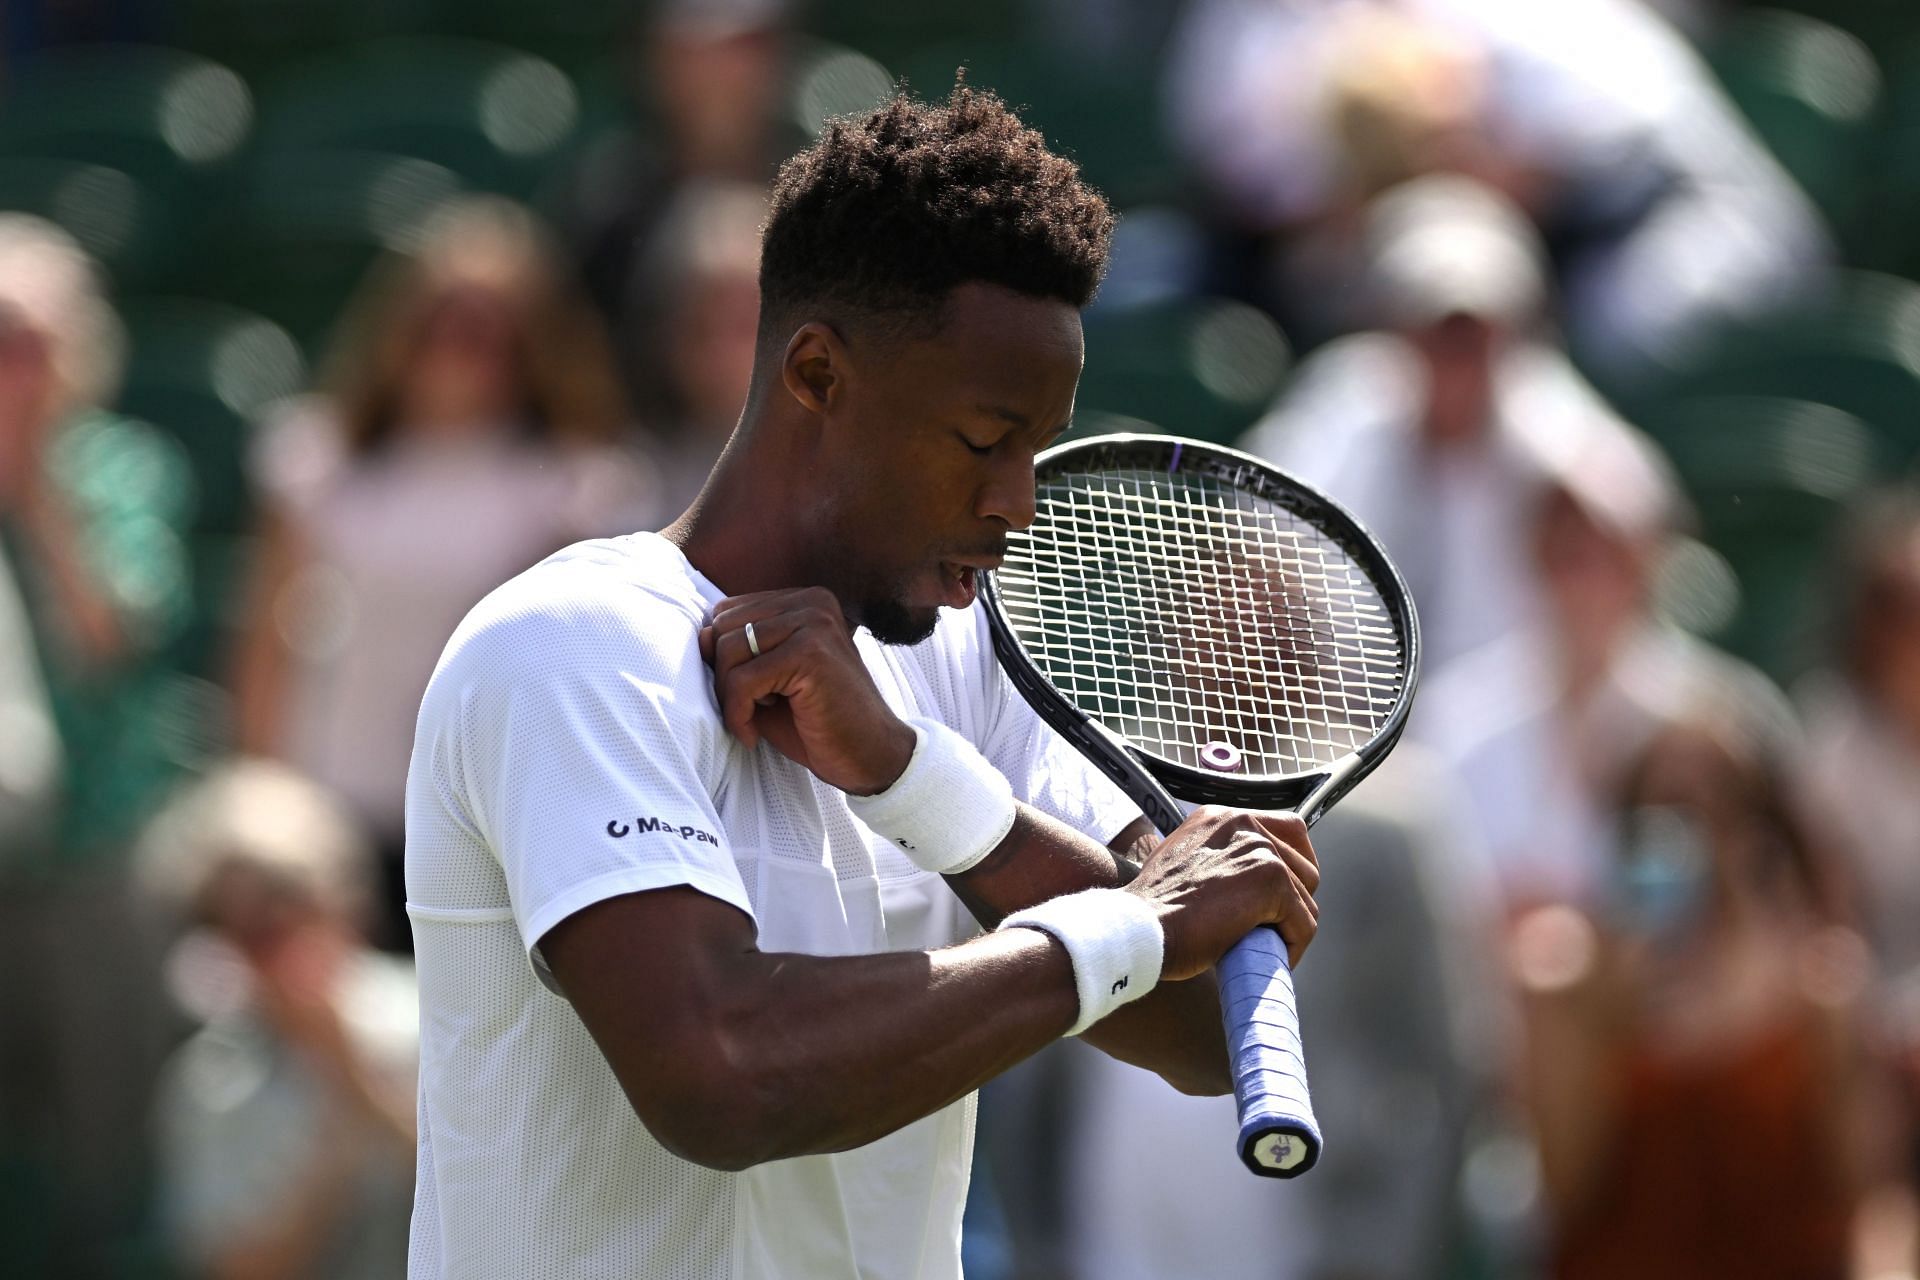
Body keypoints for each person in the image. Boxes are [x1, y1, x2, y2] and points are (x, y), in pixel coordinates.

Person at [403, 86, 1323, 1279]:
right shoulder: (569, 645)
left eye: (1036, 452)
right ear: (818, 374)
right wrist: (1134, 918)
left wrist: (915, 780)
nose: (1016, 504)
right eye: (983, 441)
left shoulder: (977, 659)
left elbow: (1202, 1027)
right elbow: (721, 1074)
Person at [232, 195, 658, 950]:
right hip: (337, 817)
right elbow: (268, 644)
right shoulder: (318, 465)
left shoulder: (581, 489)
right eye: (444, 323)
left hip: (497, 829)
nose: (461, 348)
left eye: (488, 330)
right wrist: (269, 803)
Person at [1512, 709, 1909, 1280]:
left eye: (1718, 809)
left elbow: (1869, 1198)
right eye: (1667, 813)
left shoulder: (1822, 990)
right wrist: (1604, 1025)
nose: (1697, 842)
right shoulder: (1568, 986)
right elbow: (1564, 1195)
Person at [0, 213, 197, 1277]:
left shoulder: (120, 468)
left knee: (104, 1153)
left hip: (95, 846)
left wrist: (30, 487)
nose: (11, 368)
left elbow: (111, 635)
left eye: (28, 339)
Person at [141, 759, 417, 1280]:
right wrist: (334, 1152)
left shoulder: (437, 1017)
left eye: (288, 904)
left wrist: (359, 1084)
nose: (281, 943)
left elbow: (496, 1200)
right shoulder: (210, 1082)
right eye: (246, 929)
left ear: (342, 899)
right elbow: (236, 1267)